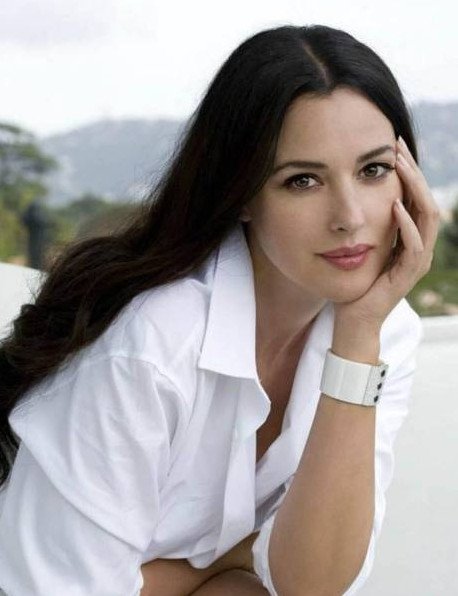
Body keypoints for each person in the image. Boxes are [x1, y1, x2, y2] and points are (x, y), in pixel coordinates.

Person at [0, 23, 438, 596]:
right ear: (243, 194)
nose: (350, 217)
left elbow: (313, 585)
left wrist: (356, 339)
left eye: (373, 170)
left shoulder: (383, 330)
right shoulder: (153, 343)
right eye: (302, 180)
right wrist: (224, 565)